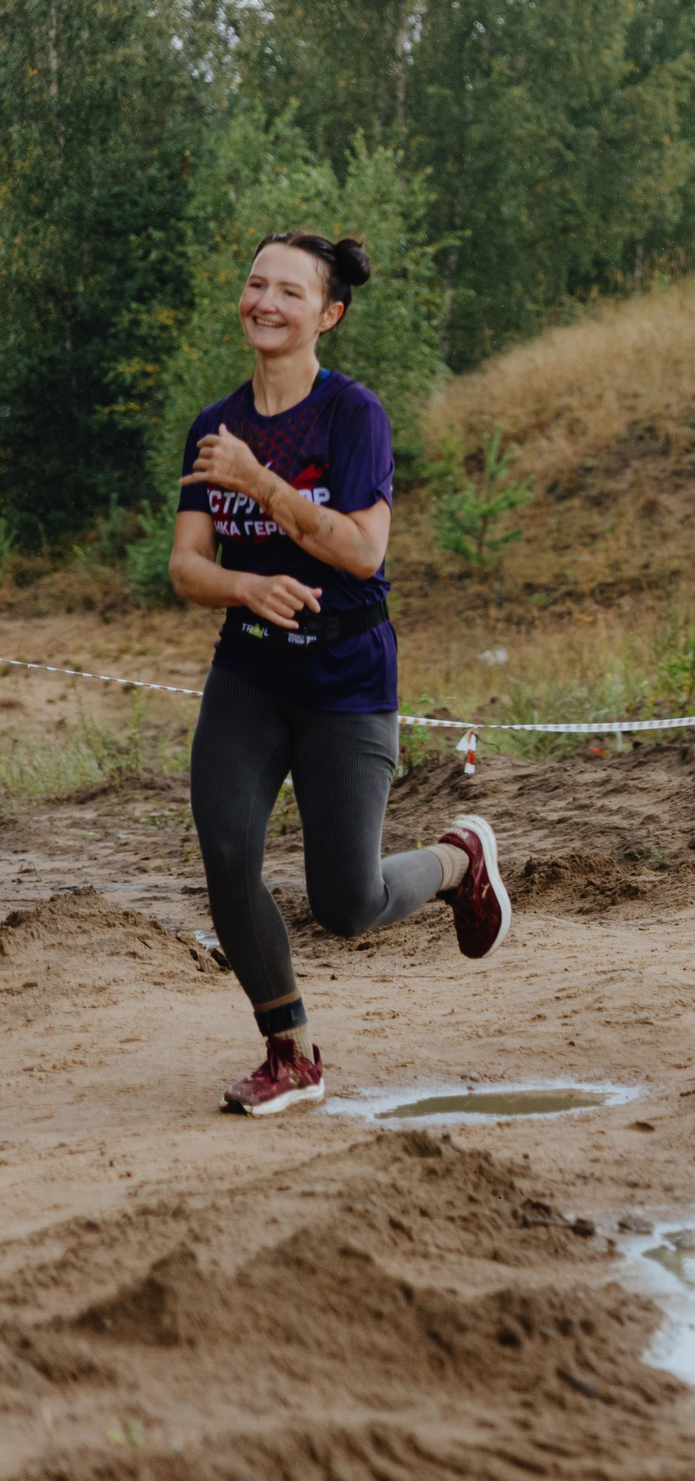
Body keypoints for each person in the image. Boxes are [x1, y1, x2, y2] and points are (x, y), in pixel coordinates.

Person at [169, 231, 511, 1118]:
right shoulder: (213, 423)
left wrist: (260, 481)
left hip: (347, 680)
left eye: (290, 290)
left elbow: (361, 551)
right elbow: (186, 566)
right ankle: (289, 1052)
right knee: (230, 853)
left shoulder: (354, 415)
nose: (266, 301)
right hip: (248, 672)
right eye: (255, 283)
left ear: (330, 314)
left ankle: (456, 860)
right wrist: (243, 582)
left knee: (346, 903)